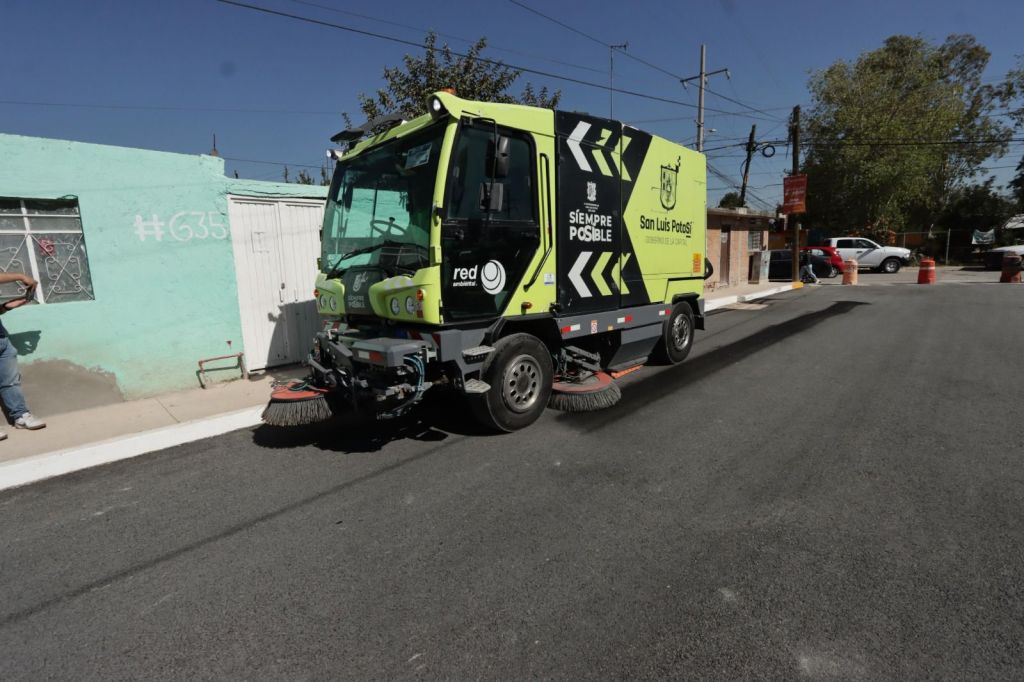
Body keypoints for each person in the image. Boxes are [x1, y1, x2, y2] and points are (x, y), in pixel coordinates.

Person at [0, 272, 46, 440]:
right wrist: (20, 276)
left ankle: (20, 416)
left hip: (2, 340)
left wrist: (8, 306)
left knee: (10, 382)